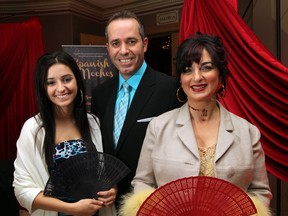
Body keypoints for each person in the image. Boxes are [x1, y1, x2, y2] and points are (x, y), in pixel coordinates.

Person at [124, 33, 272, 213]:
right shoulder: (158, 127)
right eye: (187, 69)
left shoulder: (248, 133)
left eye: (206, 67)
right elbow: (143, 182)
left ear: (220, 74)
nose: (196, 77)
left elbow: (260, 191)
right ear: (180, 78)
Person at [91, 10, 181, 206]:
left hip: (152, 201)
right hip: (107, 203)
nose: (123, 50)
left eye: (131, 41)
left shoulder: (169, 89)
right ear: (108, 48)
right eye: (116, 43)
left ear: (145, 44)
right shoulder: (100, 93)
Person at [13, 51, 117, 216]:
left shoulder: (93, 122)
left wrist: (112, 189)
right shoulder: (33, 129)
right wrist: (71, 209)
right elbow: (22, 190)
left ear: (77, 81)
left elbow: (103, 173)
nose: (61, 88)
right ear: (43, 88)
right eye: (51, 82)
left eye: (67, 79)